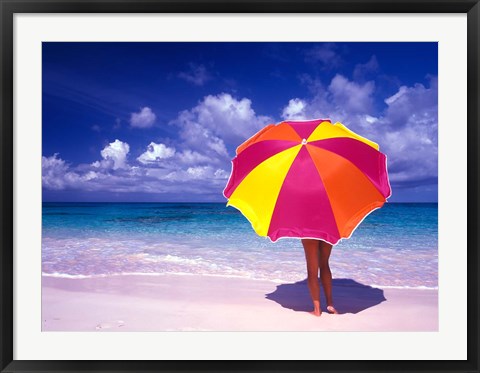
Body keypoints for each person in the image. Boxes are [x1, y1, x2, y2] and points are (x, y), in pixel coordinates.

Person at [302, 238, 339, 316]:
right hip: (327, 229)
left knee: (312, 270)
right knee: (324, 264)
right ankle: (330, 304)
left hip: (309, 231)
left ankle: (317, 310)